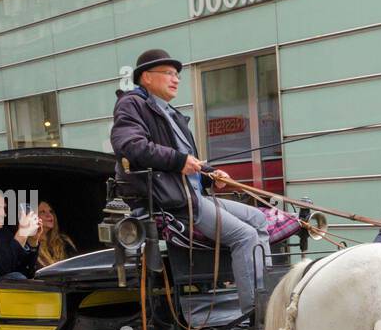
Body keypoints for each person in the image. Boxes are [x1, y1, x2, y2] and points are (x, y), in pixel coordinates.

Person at [111, 47, 269, 313]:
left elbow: (188, 162)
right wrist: (179, 161)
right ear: (146, 77)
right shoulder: (132, 104)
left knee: (260, 219)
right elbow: (130, 146)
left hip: (194, 196)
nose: (176, 79)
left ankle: (266, 294)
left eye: (177, 75)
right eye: (169, 73)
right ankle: (256, 312)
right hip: (176, 203)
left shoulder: (171, 113)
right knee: (245, 236)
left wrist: (210, 175)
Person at [35, 199, 76, 268]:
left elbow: (76, 265)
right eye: (42, 212)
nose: (49, 215)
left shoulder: (64, 241)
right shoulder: (30, 246)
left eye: (51, 211)